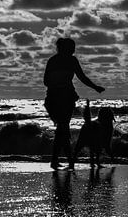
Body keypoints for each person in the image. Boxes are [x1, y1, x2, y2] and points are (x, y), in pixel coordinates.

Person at [44, 38, 105, 170]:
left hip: (63, 99)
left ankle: (62, 160)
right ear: (64, 48)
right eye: (71, 47)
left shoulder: (67, 60)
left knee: (62, 129)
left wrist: (95, 87)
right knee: (63, 128)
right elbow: (46, 81)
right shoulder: (57, 61)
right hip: (57, 99)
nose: (73, 50)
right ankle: (64, 160)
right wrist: (61, 84)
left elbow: (81, 77)